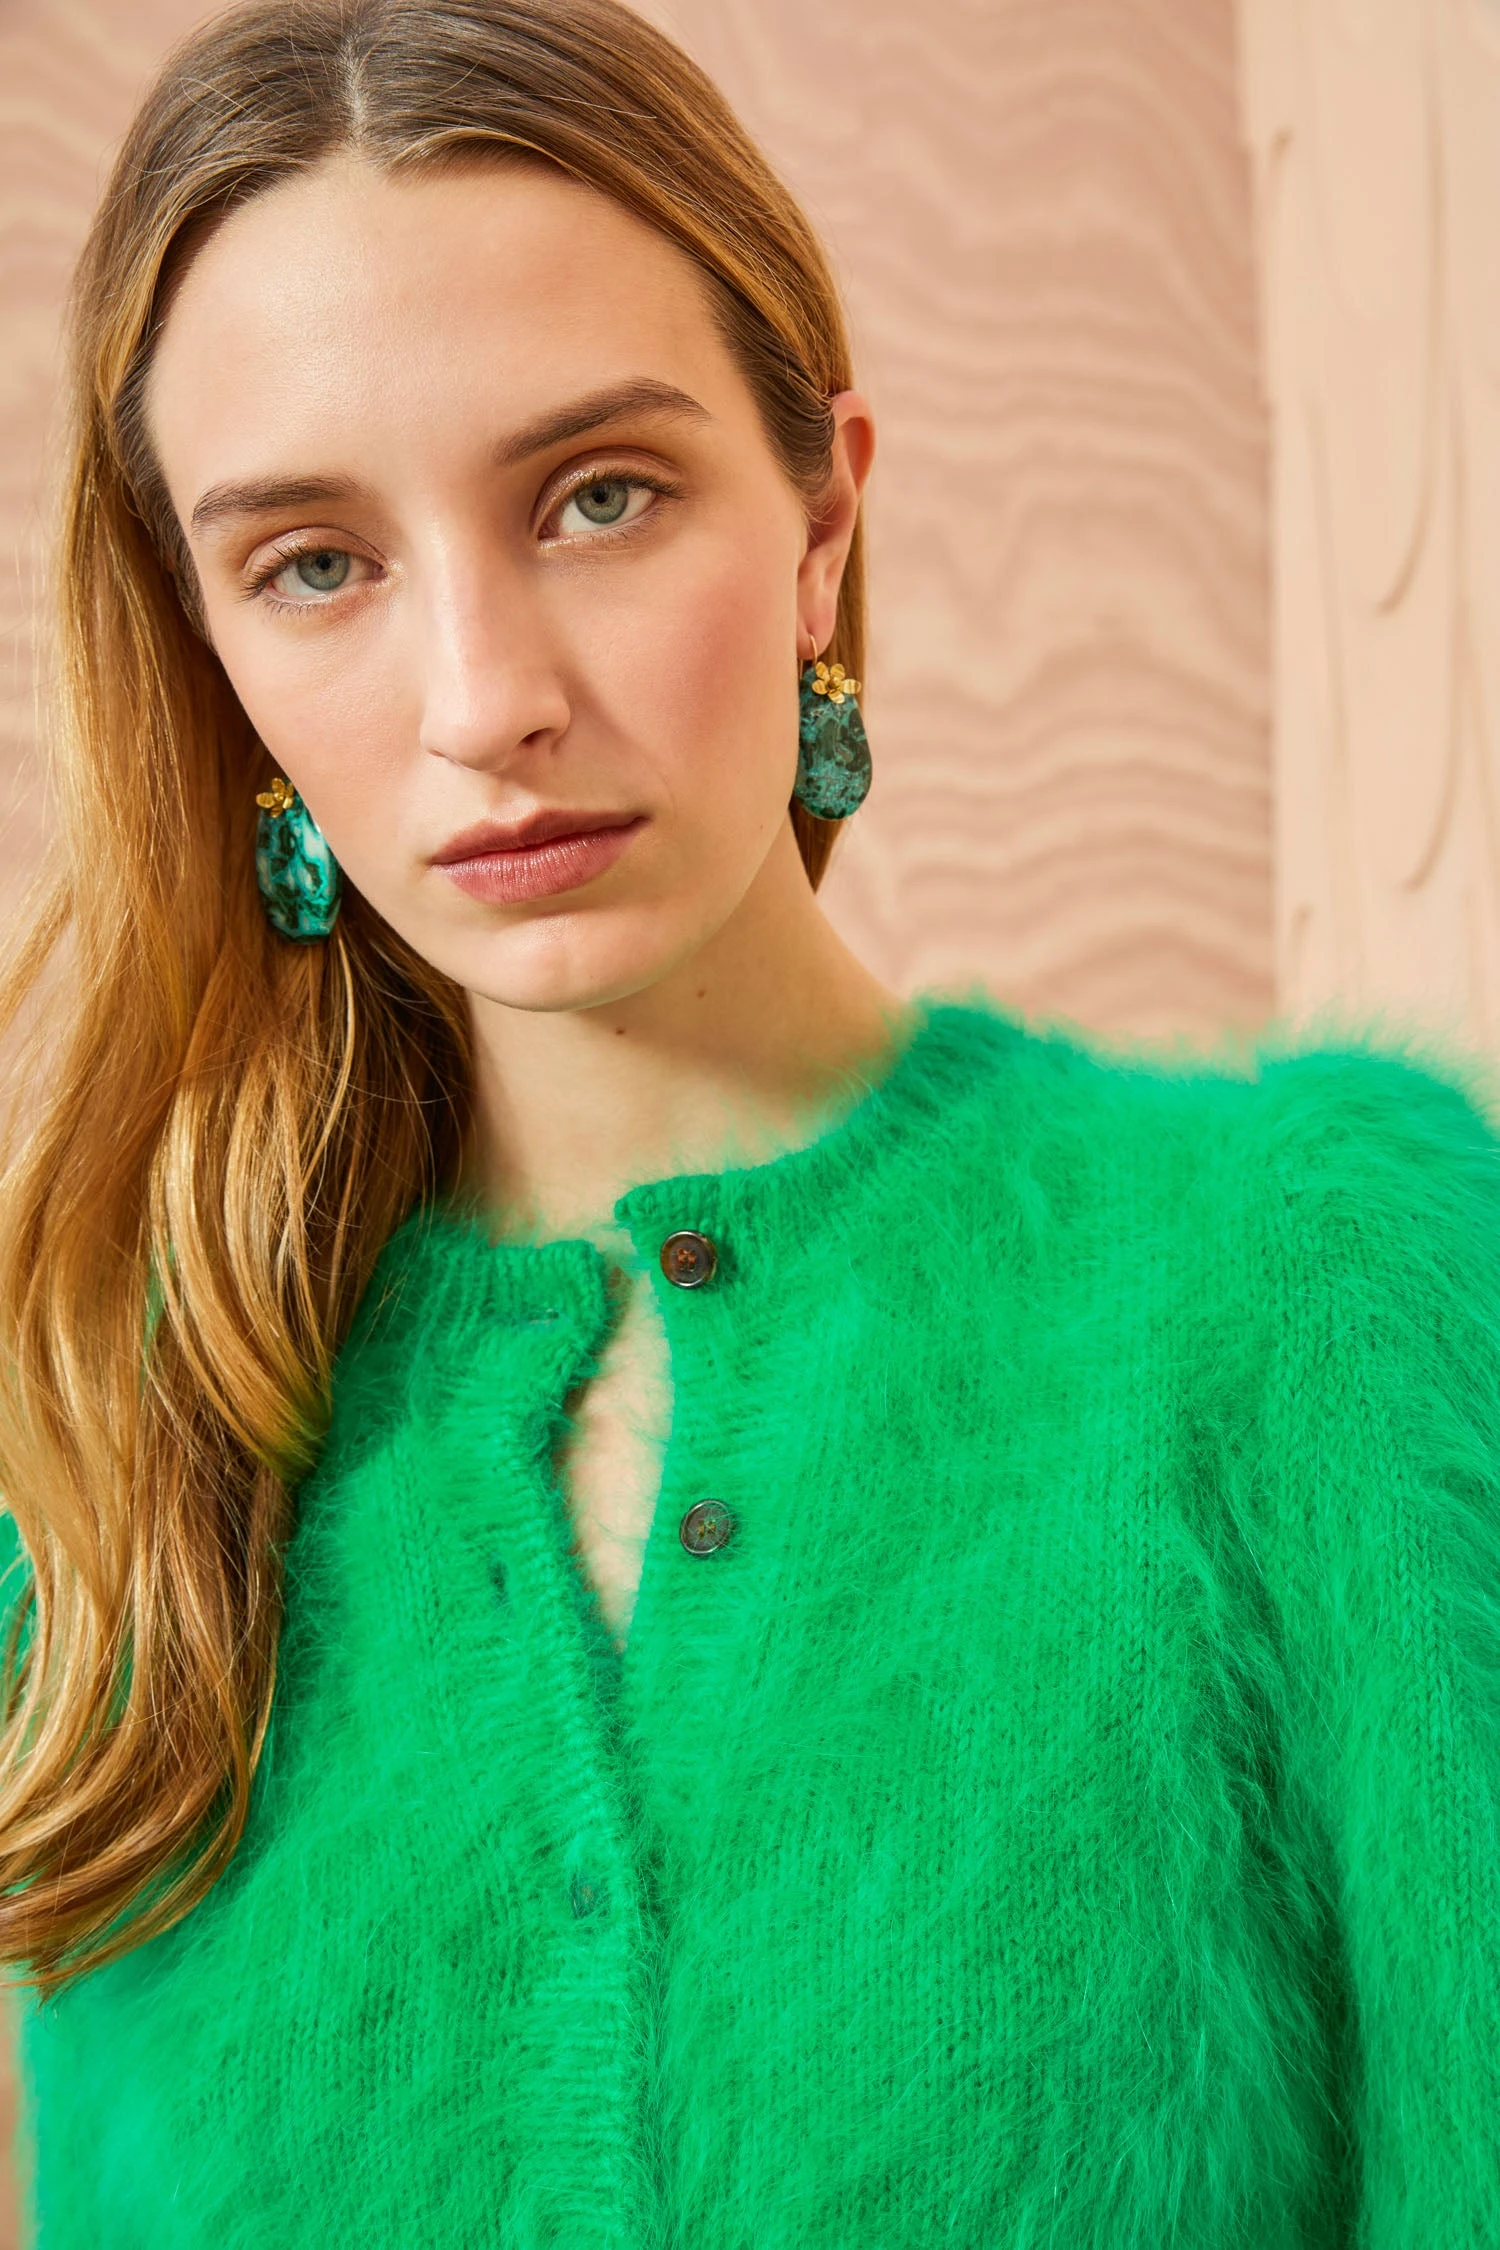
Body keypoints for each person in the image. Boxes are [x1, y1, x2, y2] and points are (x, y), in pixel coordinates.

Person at [1, 1, 1498, 2242]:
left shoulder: (1316, 1278)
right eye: (315, 561)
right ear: (212, 652)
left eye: (598, 496)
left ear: (820, 518)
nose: (485, 701)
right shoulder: (115, 1450)